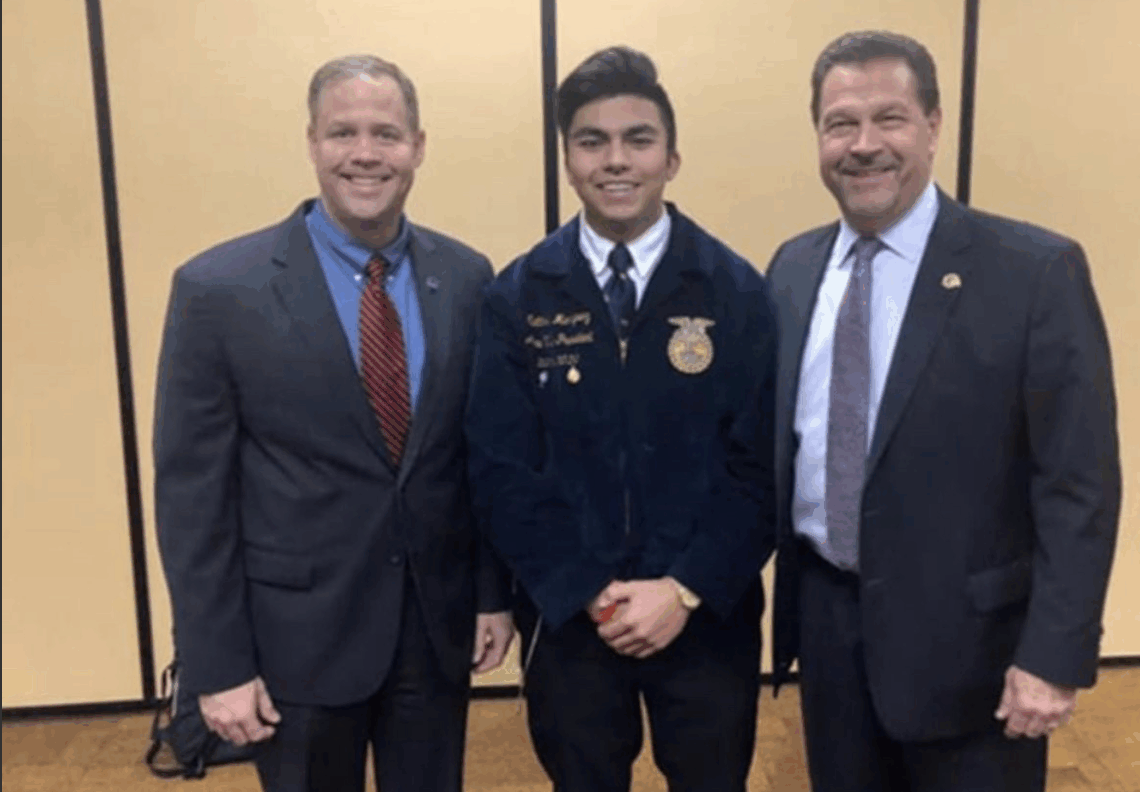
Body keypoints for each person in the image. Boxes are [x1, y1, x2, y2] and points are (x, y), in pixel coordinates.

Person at [767, 30, 1121, 792]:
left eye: (889, 118)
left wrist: (1053, 656)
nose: (863, 145)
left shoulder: (1033, 273)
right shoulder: (792, 269)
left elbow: (1078, 484)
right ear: (818, 137)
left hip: (978, 659)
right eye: (840, 124)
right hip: (830, 632)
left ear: (933, 125)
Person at [153, 54, 513, 792]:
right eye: (342, 132)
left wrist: (491, 593)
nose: (365, 153)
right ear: (312, 143)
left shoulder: (469, 277)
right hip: (295, 646)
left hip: (433, 633)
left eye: (387, 133)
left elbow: (477, 459)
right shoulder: (219, 291)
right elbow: (193, 499)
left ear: (418, 145)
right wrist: (217, 664)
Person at [465, 46, 778, 792]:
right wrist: (588, 590)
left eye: (638, 139)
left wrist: (685, 588)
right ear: (568, 160)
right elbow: (500, 467)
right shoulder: (517, 297)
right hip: (573, 619)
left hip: (704, 615)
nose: (616, 161)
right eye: (591, 141)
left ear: (672, 158)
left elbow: (761, 462)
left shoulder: (736, 291)